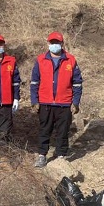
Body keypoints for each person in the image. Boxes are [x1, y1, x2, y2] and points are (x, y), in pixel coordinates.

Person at [30, 32, 83, 168]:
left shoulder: (70, 60)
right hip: (45, 103)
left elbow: (77, 83)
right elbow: (34, 82)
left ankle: (61, 156)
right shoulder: (41, 60)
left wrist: (75, 102)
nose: (54, 45)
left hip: (64, 103)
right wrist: (35, 101)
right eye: (52, 42)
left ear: (62, 44)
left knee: (63, 131)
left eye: (57, 43)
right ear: (48, 44)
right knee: (44, 130)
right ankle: (42, 155)